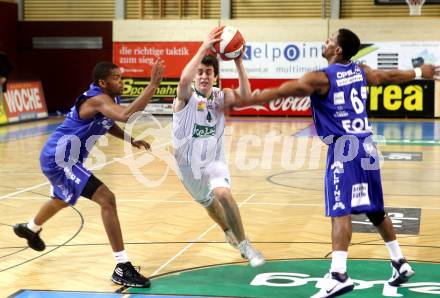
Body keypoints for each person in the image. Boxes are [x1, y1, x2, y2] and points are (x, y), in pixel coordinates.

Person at [229, 28, 439, 297]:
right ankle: (399, 262)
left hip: (344, 149)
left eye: (329, 40)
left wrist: (248, 100)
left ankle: (339, 274)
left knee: (341, 210)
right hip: (367, 146)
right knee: (375, 210)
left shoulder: (321, 77)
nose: (325, 42)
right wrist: (421, 73)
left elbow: (283, 91)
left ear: (337, 50)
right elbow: (386, 76)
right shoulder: (360, 70)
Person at [13, 59, 164, 288]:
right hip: (60, 158)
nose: (121, 82)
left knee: (62, 199)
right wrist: (153, 85)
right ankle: (122, 267)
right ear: (102, 82)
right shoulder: (96, 99)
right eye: (116, 78)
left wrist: (130, 140)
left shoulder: (107, 99)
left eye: (121, 78)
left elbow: (109, 122)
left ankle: (30, 228)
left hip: (63, 158)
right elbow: (124, 115)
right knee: (107, 199)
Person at [172, 26, 265, 267]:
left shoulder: (220, 96)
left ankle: (245, 244)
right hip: (188, 167)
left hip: (214, 162)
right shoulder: (185, 98)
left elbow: (246, 96)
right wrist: (204, 45)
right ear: (195, 77)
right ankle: (228, 231)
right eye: (200, 72)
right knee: (209, 204)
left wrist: (239, 63)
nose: (203, 76)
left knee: (223, 194)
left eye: (208, 72)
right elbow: (183, 79)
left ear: (215, 77)